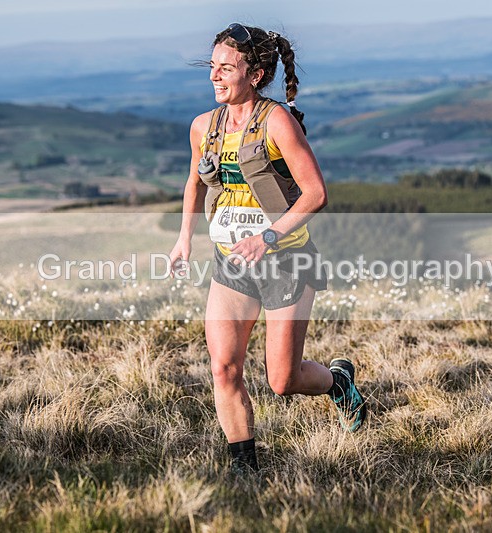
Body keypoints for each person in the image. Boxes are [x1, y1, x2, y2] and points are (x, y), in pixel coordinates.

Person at [168, 23, 367, 473]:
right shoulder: (204, 127)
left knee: (283, 380)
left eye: (226, 68)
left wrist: (268, 237)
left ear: (255, 75)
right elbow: (195, 183)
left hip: (286, 261)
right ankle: (246, 471)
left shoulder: (277, 122)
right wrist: (184, 239)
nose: (214, 76)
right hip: (231, 264)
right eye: (212, 67)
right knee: (224, 368)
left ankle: (338, 383)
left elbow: (316, 193)